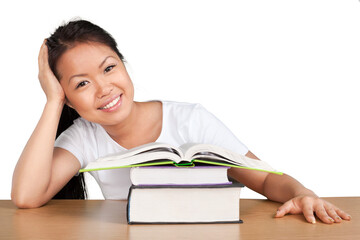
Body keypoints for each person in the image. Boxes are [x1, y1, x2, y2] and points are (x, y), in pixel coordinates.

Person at [11, 19, 351, 224]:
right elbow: (26, 196)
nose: (104, 88)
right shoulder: (86, 135)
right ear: (68, 98)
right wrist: (52, 101)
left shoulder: (190, 119)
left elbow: (263, 179)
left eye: (109, 67)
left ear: (124, 65)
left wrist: (303, 193)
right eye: (81, 84)